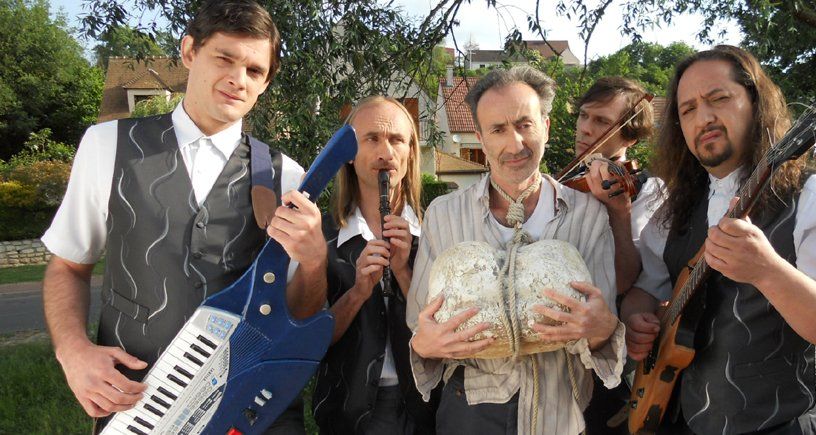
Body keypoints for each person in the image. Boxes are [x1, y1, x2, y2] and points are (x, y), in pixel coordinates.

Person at [40, 1, 328, 432]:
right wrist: (73, 352)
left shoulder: (287, 175)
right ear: (190, 51)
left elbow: (299, 312)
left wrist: (315, 260)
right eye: (225, 59)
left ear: (266, 82)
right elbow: (67, 266)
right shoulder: (107, 145)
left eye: (254, 70)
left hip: (248, 411)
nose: (238, 79)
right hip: (136, 407)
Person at [621, 45, 816, 433]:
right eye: (688, 109)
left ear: (756, 104)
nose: (703, 117)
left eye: (719, 99)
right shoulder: (674, 210)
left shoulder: (815, 196)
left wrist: (768, 271)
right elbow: (646, 289)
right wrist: (635, 319)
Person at [406, 66, 626, 435]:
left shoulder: (588, 214)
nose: (515, 144)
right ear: (480, 138)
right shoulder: (443, 216)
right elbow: (420, 322)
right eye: (498, 129)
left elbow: (603, 325)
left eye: (525, 125)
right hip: (471, 414)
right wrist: (424, 344)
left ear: (546, 127)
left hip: (560, 415)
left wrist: (603, 330)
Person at [311, 96, 438, 434]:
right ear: (350, 155)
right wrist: (357, 292)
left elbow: (447, 331)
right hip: (347, 413)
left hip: (424, 409)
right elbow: (311, 342)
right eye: (371, 139)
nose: (386, 152)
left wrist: (404, 272)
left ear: (410, 153)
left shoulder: (437, 234)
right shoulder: (319, 236)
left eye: (397, 139)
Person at [571, 77, 662, 434]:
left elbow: (625, 281)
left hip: (614, 353)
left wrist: (619, 212)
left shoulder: (649, 192)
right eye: (583, 116)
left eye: (602, 121)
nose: (585, 129)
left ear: (630, 137)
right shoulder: (564, 185)